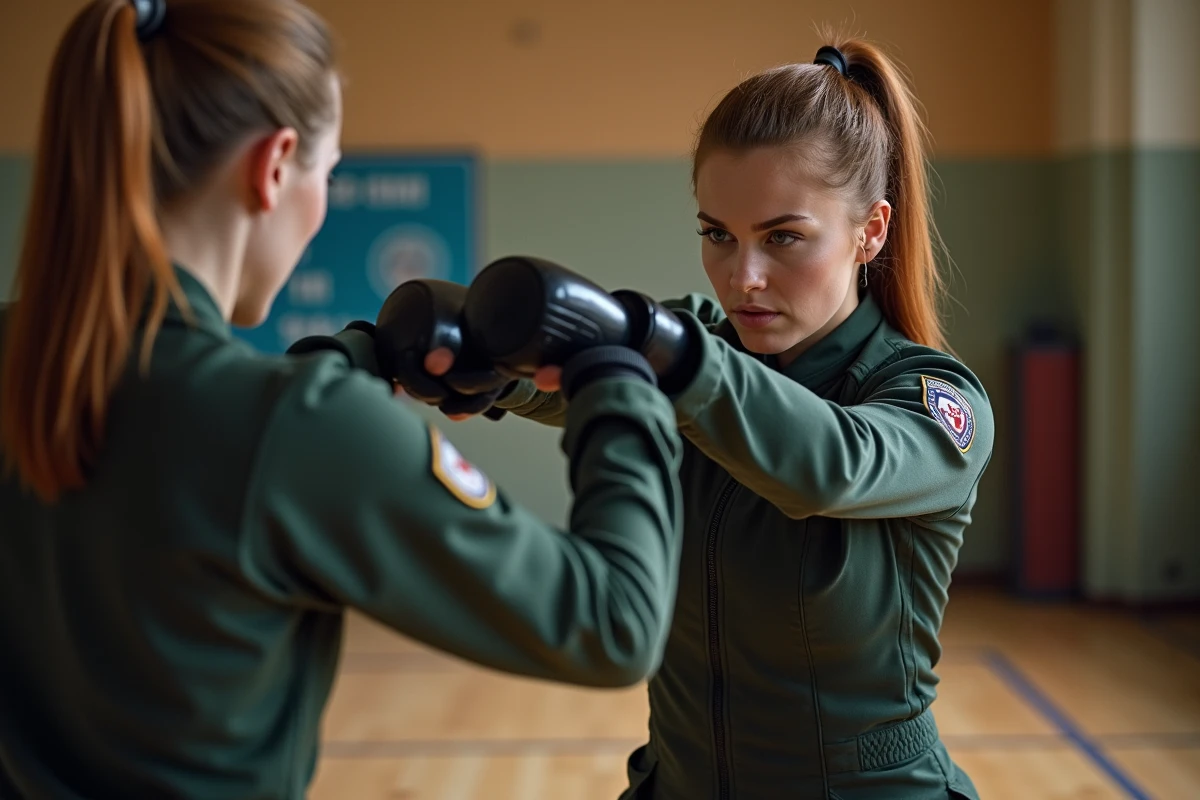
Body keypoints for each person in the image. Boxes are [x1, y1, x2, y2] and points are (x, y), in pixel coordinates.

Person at [0, 1, 686, 797]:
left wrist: (352, 361)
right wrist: (621, 386)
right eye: (326, 176)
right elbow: (613, 623)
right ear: (274, 165)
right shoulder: (290, 426)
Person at [410, 39, 995, 799]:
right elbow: (573, 379)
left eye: (783, 237)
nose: (741, 277)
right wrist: (480, 360)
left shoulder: (931, 400)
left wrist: (676, 359)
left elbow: (830, 464)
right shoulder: (700, 351)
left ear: (870, 231)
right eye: (718, 234)